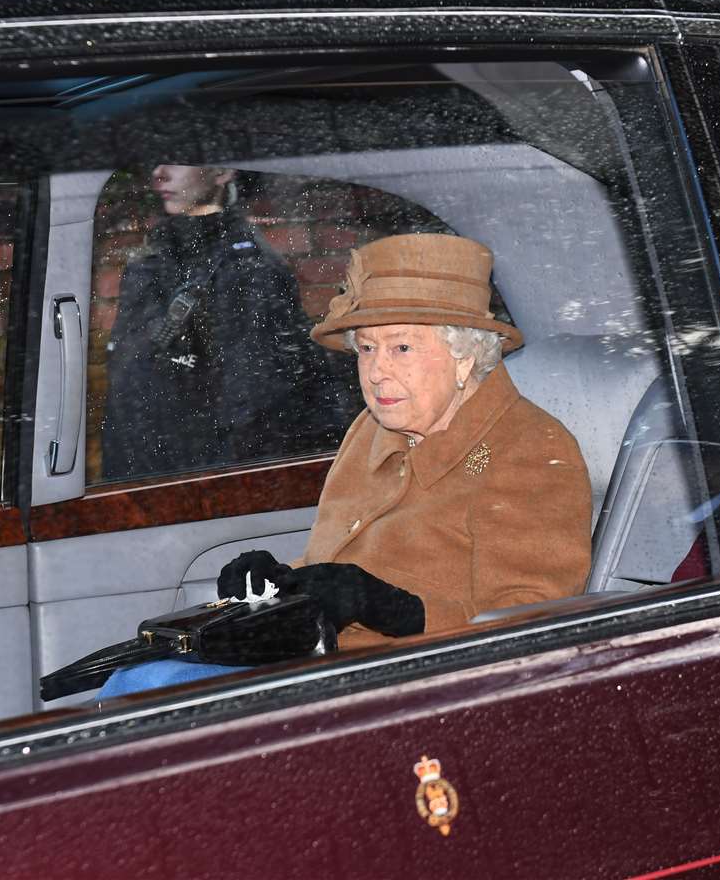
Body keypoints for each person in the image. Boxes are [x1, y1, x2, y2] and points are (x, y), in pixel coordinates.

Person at [96, 233, 592, 698]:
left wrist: (393, 608)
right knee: (133, 678)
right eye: (368, 349)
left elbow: (530, 626)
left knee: (149, 693)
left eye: (401, 347)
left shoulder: (530, 449)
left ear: (466, 356)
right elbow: (332, 570)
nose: (377, 372)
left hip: (416, 688)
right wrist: (276, 583)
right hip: (323, 663)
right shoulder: (371, 430)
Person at [100, 164, 349, 481]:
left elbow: (254, 408)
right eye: (155, 159)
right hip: (144, 479)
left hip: (201, 488)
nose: (159, 173)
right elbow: (128, 388)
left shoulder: (249, 270)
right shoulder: (152, 261)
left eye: (178, 157)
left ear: (222, 171)